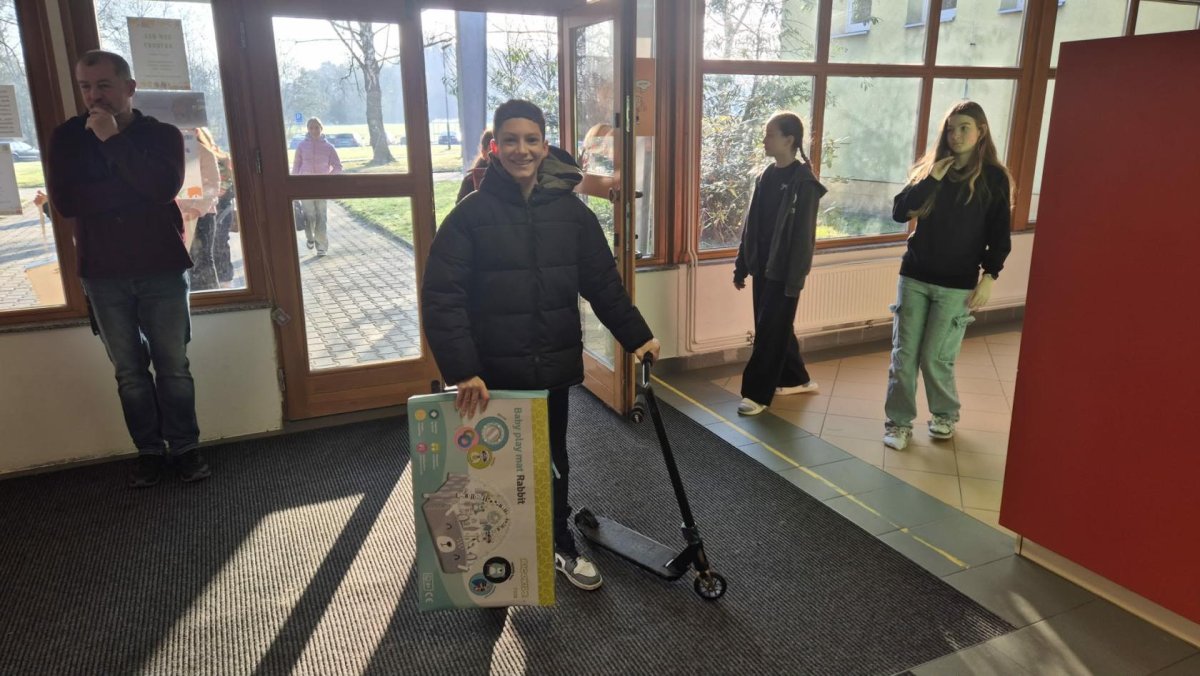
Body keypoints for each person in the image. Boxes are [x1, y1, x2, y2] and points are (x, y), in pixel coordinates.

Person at [422, 99, 661, 592]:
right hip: (491, 375)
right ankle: (495, 560)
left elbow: (603, 283)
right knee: (491, 470)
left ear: (545, 146)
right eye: (510, 140)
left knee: (551, 461)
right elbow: (443, 298)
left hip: (551, 367)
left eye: (531, 139)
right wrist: (463, 369)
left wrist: (637, 336)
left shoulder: (572, 215)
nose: (521, 150)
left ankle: (558, 543)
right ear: (494, 148)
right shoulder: (470, 216)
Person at [46, 50, 209, 487]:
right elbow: (67, 203)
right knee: (130, 374)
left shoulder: (162, 135)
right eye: (85, 87)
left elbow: (161, 189)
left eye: (104, 85)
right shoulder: (66, 138)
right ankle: (150, 453)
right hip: (102, 272)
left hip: (162, 267)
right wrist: (131, 187)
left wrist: (112, 141)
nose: (93, 96)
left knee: (174, 366)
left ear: (129, 87)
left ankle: (186, 449)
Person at [883, 101, 1012, 451]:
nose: (956, 135)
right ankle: (898, 423)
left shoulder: (994, 178)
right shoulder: (932, 170)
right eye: (951, 129)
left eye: (964, 128)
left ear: (980, 132)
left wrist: (990, 276)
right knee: (904, 356)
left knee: (935, 357)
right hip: (915, 276)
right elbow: (900, 212)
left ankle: (944, 415)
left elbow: (999, 234)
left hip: (957, 284)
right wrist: (932, 179)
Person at [732, 112, 826, 417]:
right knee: (774, 326)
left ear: (789, 140)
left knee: (769, 331)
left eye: (770, 135)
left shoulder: (804, 183)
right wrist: (742, 265)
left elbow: (804, 238)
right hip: (762, 268)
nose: (764, 140)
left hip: (785, 273)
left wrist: (795, 279)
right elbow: (751, 226)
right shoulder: (765, 177)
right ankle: (797, 378)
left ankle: (756, 393)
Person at [178, 127, 221, 291]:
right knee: (184, 259)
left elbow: (212, 185)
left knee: (202, 257)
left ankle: (210, 296)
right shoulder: (168, 150)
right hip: (178, 214)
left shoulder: (203, 152)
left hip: (202, 215)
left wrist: (196, 209)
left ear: (195, 131)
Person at [291, 117, 342, 256]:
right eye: (311, 128)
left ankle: (321, 246)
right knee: (309, 215)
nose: (314, 130)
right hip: (305, 186)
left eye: (316, 127)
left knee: (321, 216)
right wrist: (293, 185)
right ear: (308, 129)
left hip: (322, 187)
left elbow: (338, 166)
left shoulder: (329, 147)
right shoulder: (301, 146)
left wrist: (328, 179)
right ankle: (310, 238)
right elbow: (296, 166)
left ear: (321, 128)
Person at [455, 128, 492, 204]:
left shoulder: (514, 178)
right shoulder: (470, 181)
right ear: (483, 153)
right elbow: (461, 209)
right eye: (491, 149)